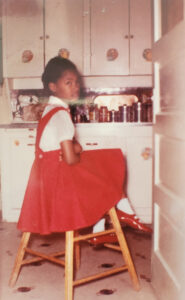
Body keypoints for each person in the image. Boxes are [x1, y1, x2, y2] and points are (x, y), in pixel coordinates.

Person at [17, 57, 152, 246]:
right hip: (60, 182)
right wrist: (75, 149)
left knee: (99, 165)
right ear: (53, 86)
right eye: (68, 83)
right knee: (110, 159)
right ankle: (125, 211)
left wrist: (76, 148)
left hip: (45, 178)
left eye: (77, 82)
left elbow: (69, 149)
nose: (75, 87)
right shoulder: (61, 115)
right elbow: (71, 159)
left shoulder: (50, 109)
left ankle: (103, 226)